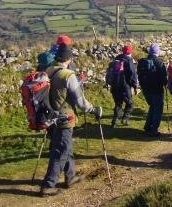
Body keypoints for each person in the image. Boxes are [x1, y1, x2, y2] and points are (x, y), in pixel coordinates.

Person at [40, 44, 102, 197]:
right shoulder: (68, 75)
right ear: (68, 58)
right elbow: (80, 102)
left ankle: (71, 177)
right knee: (61, 151)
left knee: (64, 147)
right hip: (65, 118)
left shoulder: (48, 70)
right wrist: (93, 109)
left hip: (51, 117)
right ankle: (48, 185)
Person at [137, 43, 168, 136]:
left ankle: (147, 126)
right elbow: (164, 79)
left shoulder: (142, 62)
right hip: (157, 90)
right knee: (158, 109)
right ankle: (154, 129)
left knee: (152, 107)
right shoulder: (159, 62)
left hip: (146, 90)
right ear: (157, 52)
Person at [106, 44, 138, 127]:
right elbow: (132, 74)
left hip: (115, 86)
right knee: (130, 104)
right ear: (130, 52)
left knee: (118, 104)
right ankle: (125, 119)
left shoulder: (116, 59)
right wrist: (134, 85)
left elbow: (109, 72)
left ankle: (114, 122)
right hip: (125, 87)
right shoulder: (128, 60)